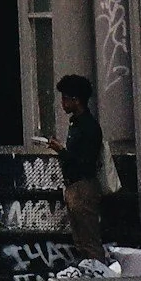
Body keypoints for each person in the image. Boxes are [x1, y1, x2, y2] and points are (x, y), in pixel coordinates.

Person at [57, 73, 106, 262]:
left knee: (89, 239)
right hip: (74, 186)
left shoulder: (88, 126)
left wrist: (61, 151)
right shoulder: (76, 123)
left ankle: (98, 278)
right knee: (80, 240)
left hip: (83, 187)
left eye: (65, 98)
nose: (63, 103)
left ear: (76, 100)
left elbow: (85, 162)